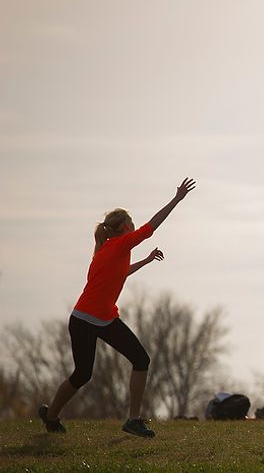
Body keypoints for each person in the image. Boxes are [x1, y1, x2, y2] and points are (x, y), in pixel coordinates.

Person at [38, 178, 196, 438]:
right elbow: (151, 228)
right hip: (85, 320)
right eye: (132, 225)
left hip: (103, 318)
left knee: (140, 360)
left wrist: (144, 261)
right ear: (125, 227)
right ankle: (51, 415)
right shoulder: (119, 245)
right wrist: (176, 199)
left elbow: (119, 275)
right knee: (82, 374)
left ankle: (133, 419)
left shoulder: (108, 250)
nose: (135, 228)